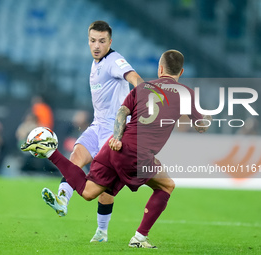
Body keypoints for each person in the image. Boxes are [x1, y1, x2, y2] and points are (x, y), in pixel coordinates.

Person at [21, 50, 212, 248]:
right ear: (181, 71)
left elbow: (122, 111)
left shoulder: (143, 88)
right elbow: (201, 127)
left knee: (87, 191)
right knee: (166, 186)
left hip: (114, 145)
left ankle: (51, 153)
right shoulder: (185, 94)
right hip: (139, 154)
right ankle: (139, 238)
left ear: (160, 68)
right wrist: (207, 118)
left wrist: (117, 138)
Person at [40, 20, 142, 243]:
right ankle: (63, 202)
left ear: (110, 42)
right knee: (75, 156)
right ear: (88, 41)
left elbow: (133, 77)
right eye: (93, 40)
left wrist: (141, 93)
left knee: (103, 188)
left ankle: (102, 232)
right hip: (97, 126)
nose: (97, 45)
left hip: (115, 133)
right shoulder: (96, 63)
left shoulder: (114, 60)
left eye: (102, 41)